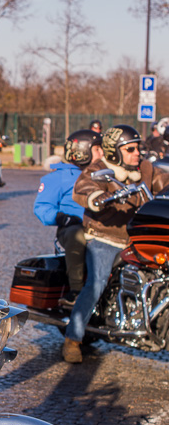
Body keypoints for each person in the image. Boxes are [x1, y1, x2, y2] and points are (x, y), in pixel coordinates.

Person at [66, 124, 169, 363]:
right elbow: (83, 189)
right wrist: (98, 198)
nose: (137, 153)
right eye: (131, 149)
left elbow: (164, 183)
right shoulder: (100, 169)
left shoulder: (146, 168)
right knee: (97, 282)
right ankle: (73, 339)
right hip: (105, 237)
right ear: (114, 152)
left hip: (137, 236)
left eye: (139, 148)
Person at [36, 130, 96, 299]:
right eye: (98, 149)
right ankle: (76, 290)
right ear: (83, 152)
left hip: (99, 225)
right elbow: (42, 207)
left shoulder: (102, 174)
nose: (103, 154)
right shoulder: (59, 177)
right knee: (77, 236)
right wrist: (62, 217)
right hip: (72, 227)